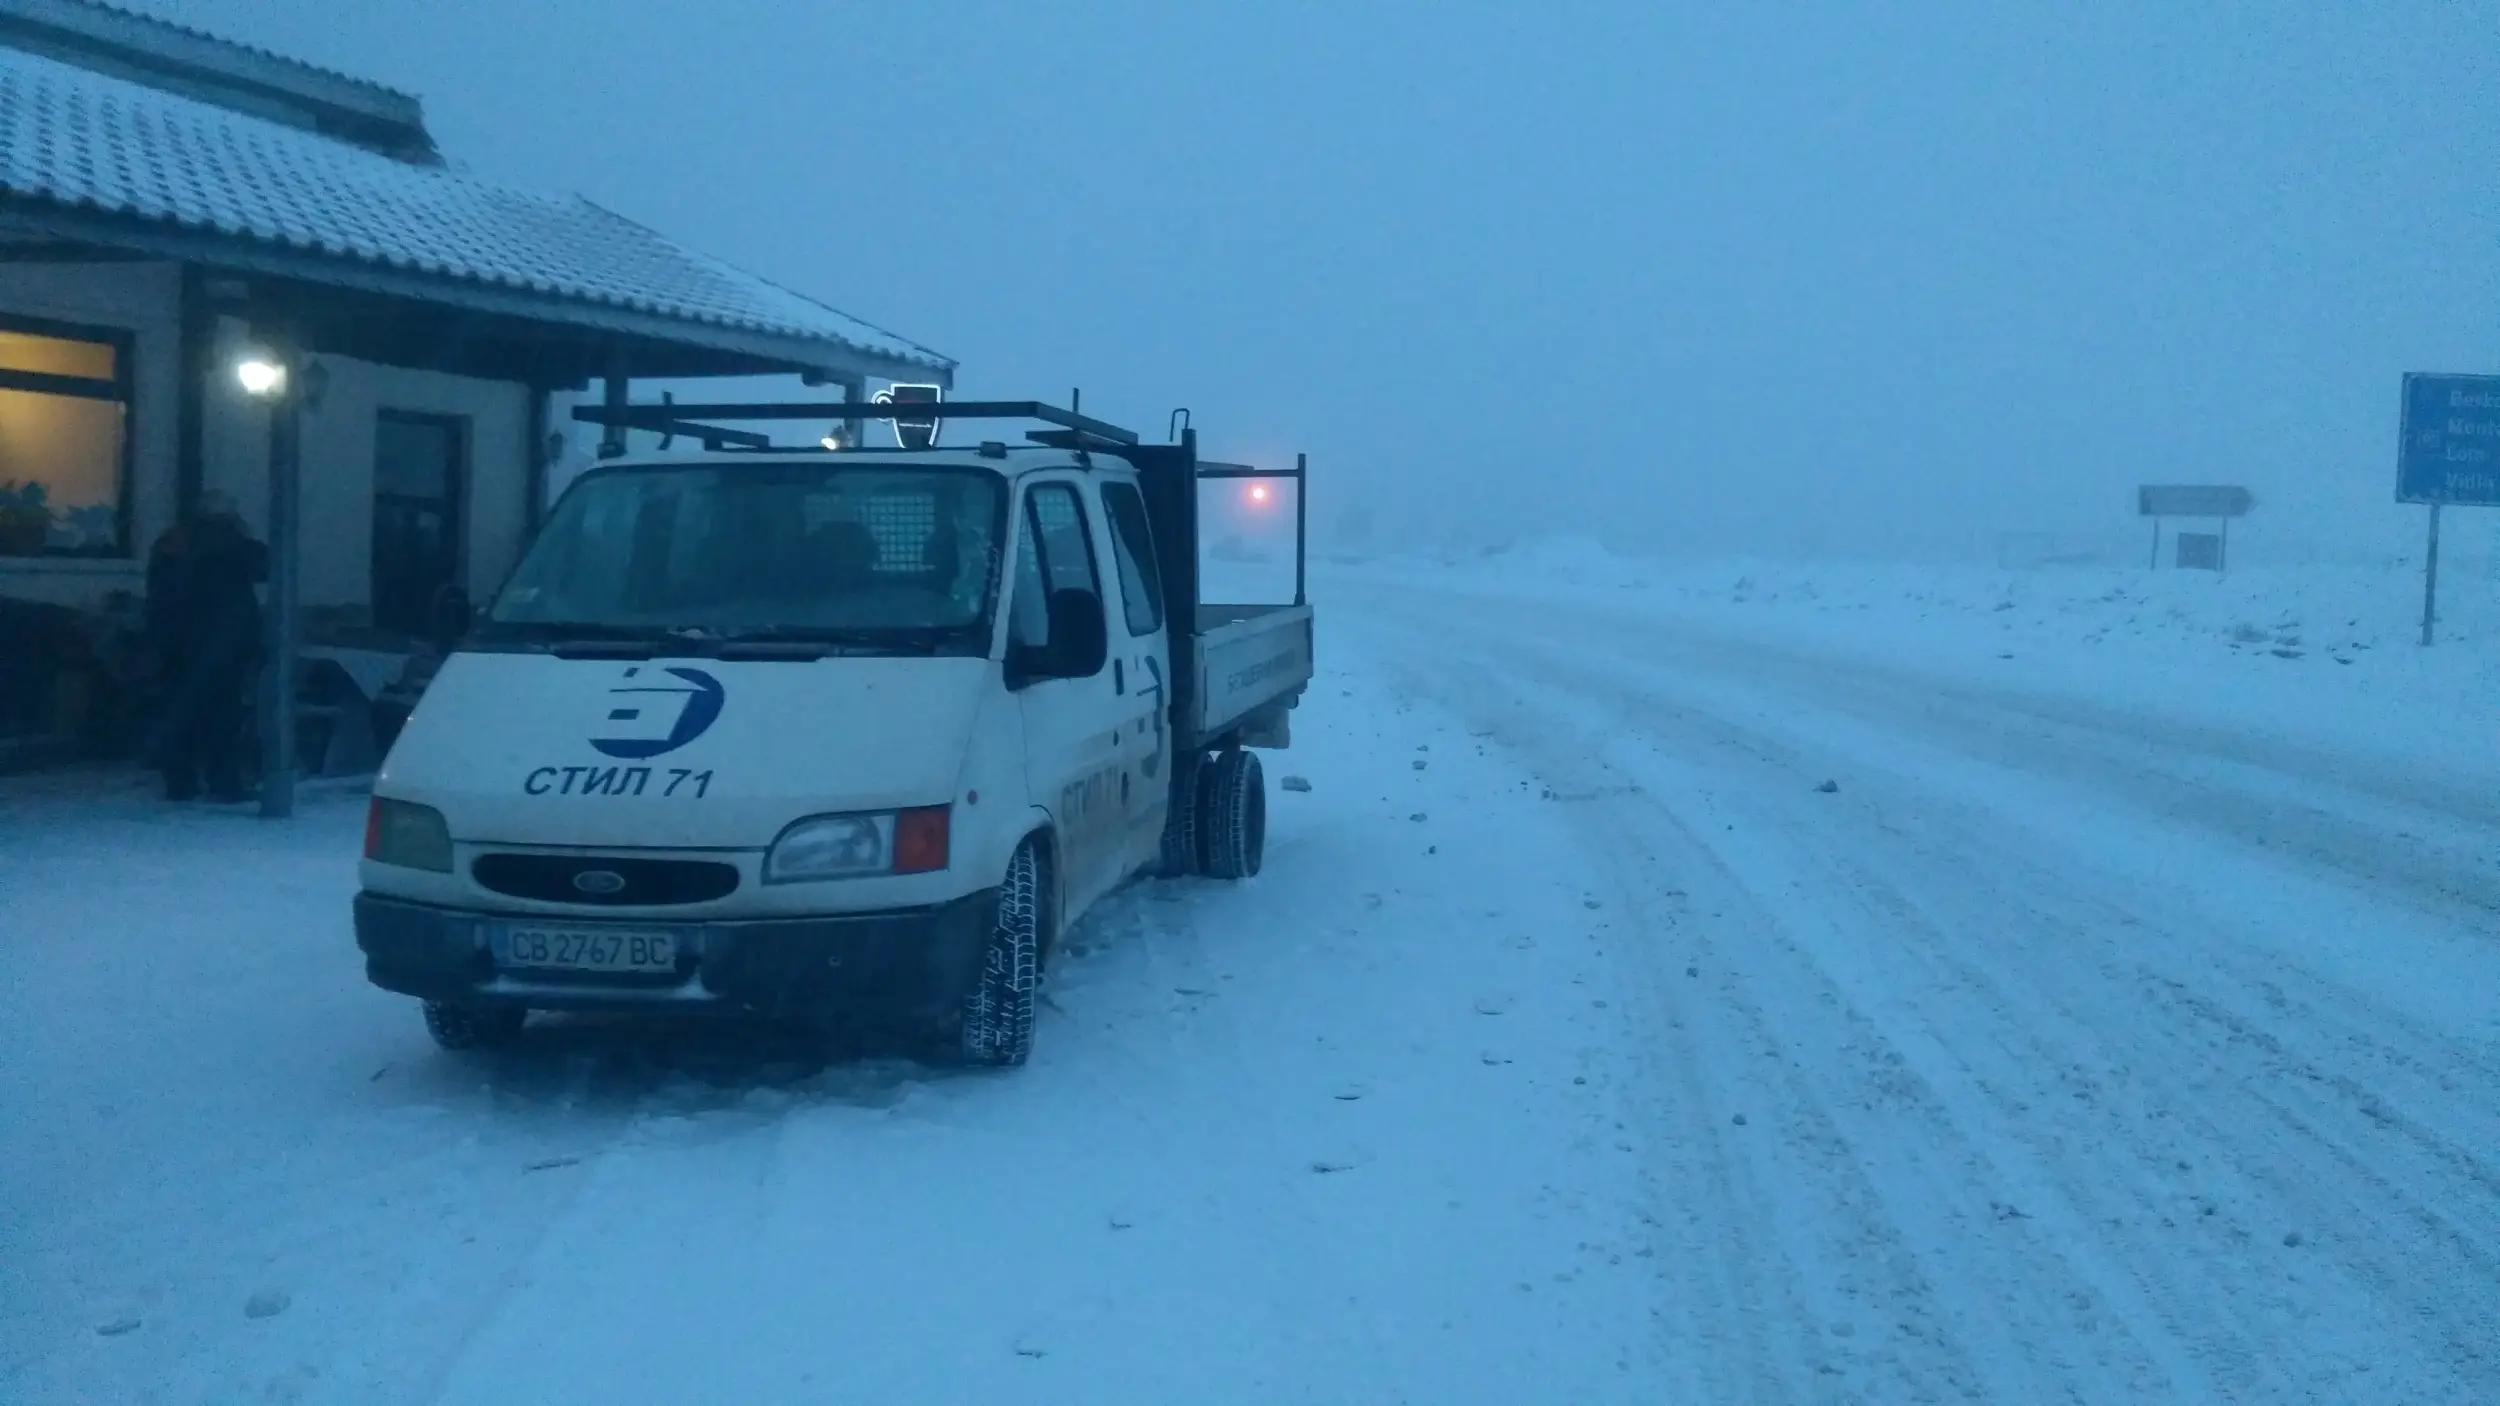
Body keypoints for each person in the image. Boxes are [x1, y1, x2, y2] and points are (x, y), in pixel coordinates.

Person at [147, 493, 268, 801]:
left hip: (177, 644)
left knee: (181, 713)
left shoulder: (173, 543)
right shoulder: (232, 546)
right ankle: (223, 784)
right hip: (223, 645)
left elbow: (160, 593)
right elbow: (266, 565)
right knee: (222, 718)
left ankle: (180, 782)